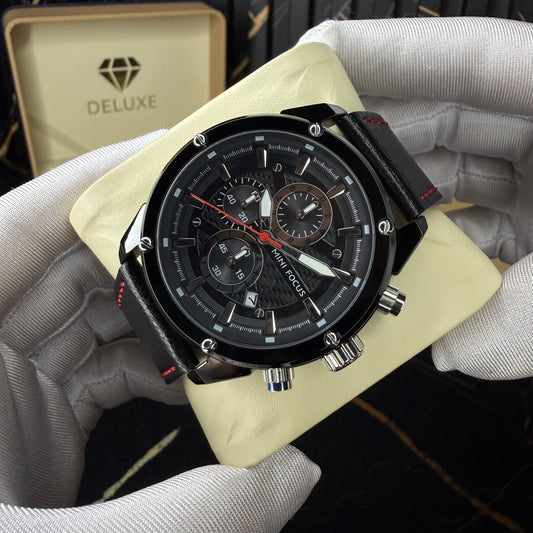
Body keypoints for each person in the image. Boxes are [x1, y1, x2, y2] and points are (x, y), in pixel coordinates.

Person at [0, 16, 531, 532]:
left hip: (335, 218)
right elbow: (193, 345)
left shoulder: (344, 152)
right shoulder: (201, 350)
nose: (265, 240)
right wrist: (187, 353)